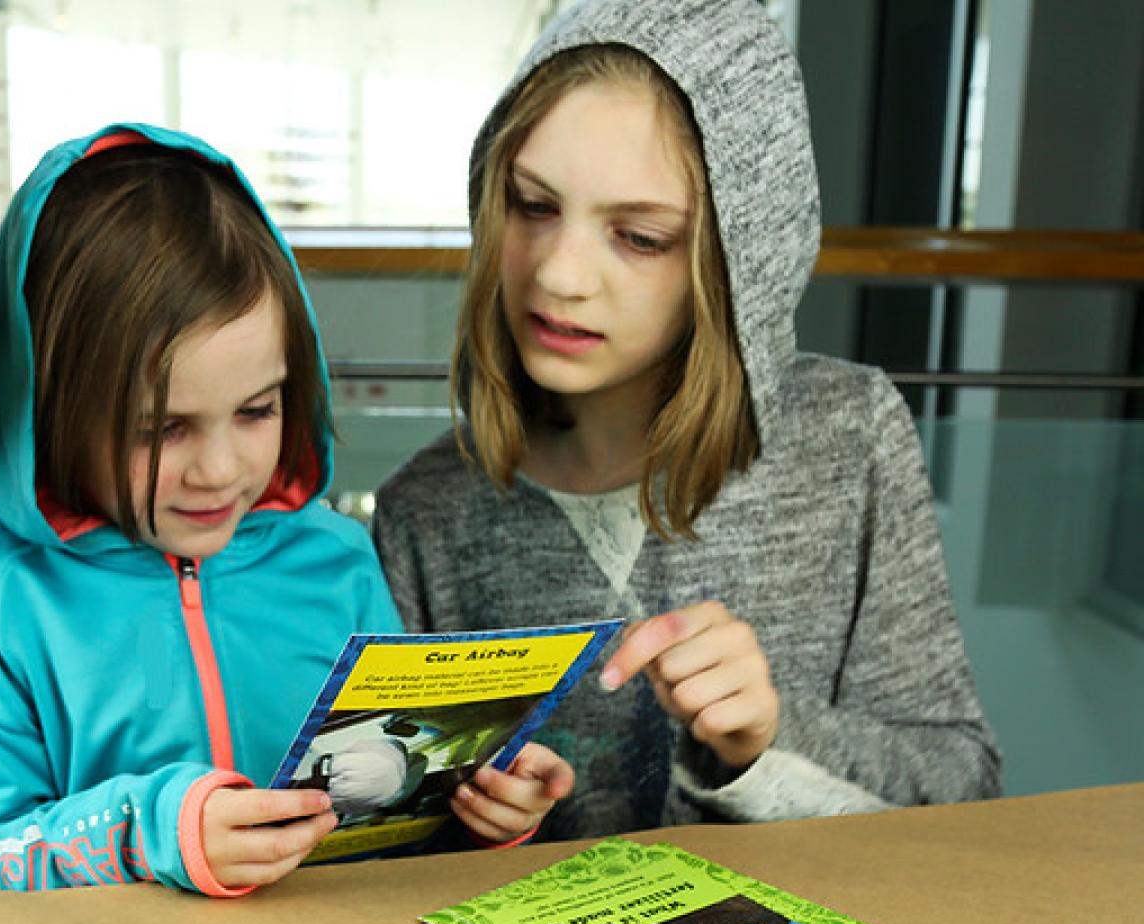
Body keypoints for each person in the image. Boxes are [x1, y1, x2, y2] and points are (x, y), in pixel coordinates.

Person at [371, 0, 1001, 838]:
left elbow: (967, 791)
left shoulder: (851, 439)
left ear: (741, 257)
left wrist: (766, 739)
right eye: (532, 205)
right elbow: (391, 856)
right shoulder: (427, 510)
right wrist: (475, 822)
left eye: (637, 236)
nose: (559, 275)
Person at [0, 125, 573, 895]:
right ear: (47, 409)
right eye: (161, 429)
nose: (221, 471)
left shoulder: (337, 559)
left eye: (258, 410)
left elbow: (393, 815)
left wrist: (478, 806)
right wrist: (151, 833)